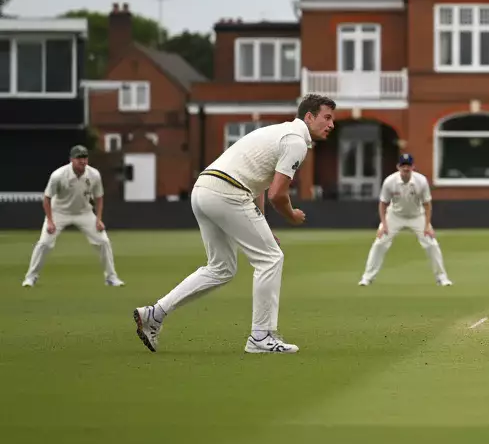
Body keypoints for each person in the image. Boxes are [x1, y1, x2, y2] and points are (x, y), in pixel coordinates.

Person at [132, 94, 336, 354]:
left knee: (221, 268)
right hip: (227, 193)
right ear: (309, 117)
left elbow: (259, 186)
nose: (331, 124)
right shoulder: (295, 141)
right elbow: (277, 193)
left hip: (204, 190)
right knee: (270, 259)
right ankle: (260, 337)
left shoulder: (279, 132)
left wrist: (263, 226)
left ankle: (154, 314)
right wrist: (291, 215)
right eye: (326, 118)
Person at [22, 145, 124, 287]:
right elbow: (46, 198)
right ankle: (30, 277)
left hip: (84, 212)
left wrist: (99, 219)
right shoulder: (58, 175)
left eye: (85, 158)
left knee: (103, 242)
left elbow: (99, 197)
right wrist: (50, 221)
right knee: (44, 243)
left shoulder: (94, 175)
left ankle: (111, 278)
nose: (82, 161)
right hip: (59, 212)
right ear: (71, 159)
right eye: (79, 158)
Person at [358, 153, 450, 287]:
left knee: (431, 244)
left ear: (413, 167)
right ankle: (367, 278)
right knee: (379, 243)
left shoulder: (421, 181)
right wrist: (383, 224)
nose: (406, 169)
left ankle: (442, 278)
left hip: (417, 216)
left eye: (408, 166)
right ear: (398, 167)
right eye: (403, 166)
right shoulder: (390, 181)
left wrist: (427, 225)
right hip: (395, 215)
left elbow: (427, 204)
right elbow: (383, 203)